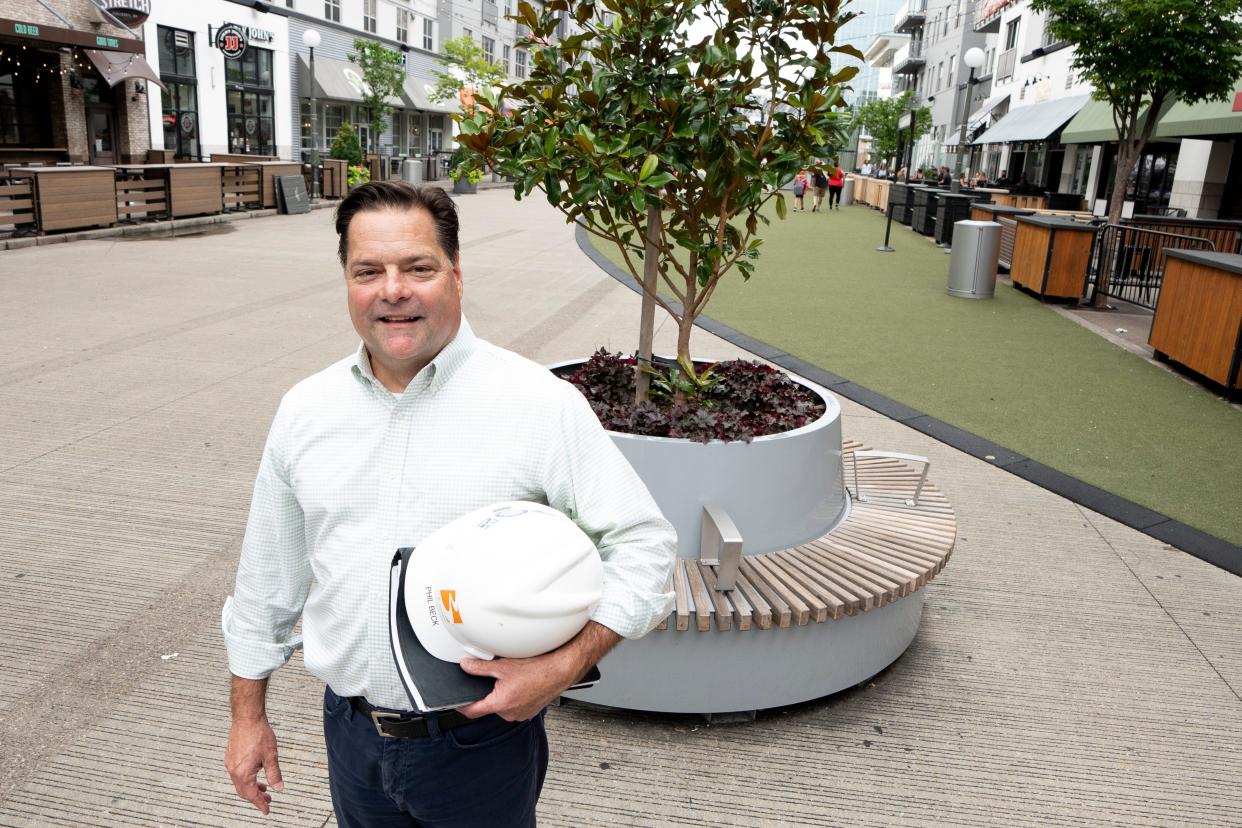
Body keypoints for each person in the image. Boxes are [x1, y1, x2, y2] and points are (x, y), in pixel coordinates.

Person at [222, 181, 677, 827]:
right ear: (347, 283)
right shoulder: (306, 411)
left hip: (479, 742)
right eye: (368, 271)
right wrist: (247, 717)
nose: (393, 290)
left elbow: (645, 544)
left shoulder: (534, 403)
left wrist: (563, 666)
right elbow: (267, 578)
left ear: (456, 276)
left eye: (418, 267)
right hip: (350, 735)